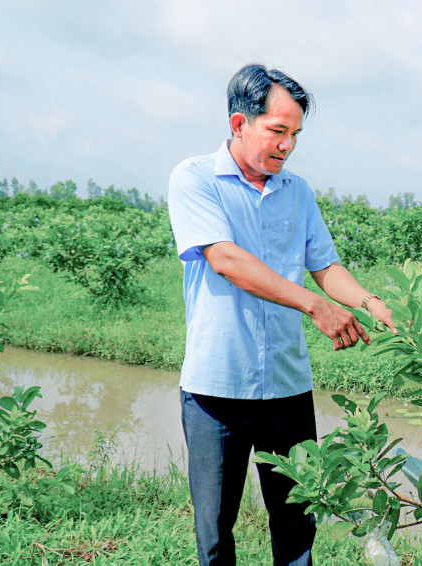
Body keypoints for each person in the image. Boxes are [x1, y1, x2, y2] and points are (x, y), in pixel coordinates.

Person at [168, 63, 395, 566]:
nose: (287, 145)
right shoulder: (194, 178)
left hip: (287, 387)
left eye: (295, 134)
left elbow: (325, 265)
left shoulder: (297, 191)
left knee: (297, 519)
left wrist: (368, 302)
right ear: (238, 123)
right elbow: (225, 260)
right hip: (215, 386)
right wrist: (314, 305)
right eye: (277, 131)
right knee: (216, 528)